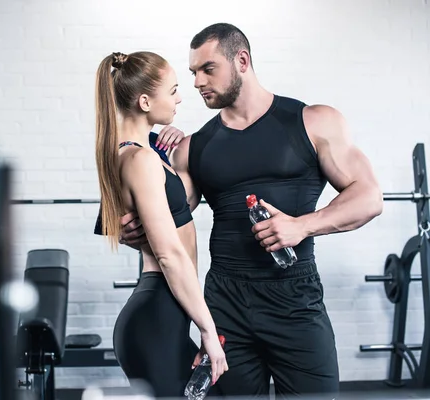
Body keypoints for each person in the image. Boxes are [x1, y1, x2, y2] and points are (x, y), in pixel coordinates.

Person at [117, 23, 384, 399]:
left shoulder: (312, 122)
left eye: (207, 69)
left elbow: (369, 197)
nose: (196, 82)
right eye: (192, 72)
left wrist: (302, 227)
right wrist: (133, 232)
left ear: (241, 60)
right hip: (226, 306)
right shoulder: (194, 147)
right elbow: (170, 222)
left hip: (295, 302)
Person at [93, 50, 228, 397]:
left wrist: (167, 146)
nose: (180, 97)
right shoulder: (139, 159)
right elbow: (168, 254)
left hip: (164, 313)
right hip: (157, 314)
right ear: (144, 100)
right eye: (172, 90)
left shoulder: (140, 152)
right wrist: (209, 332)